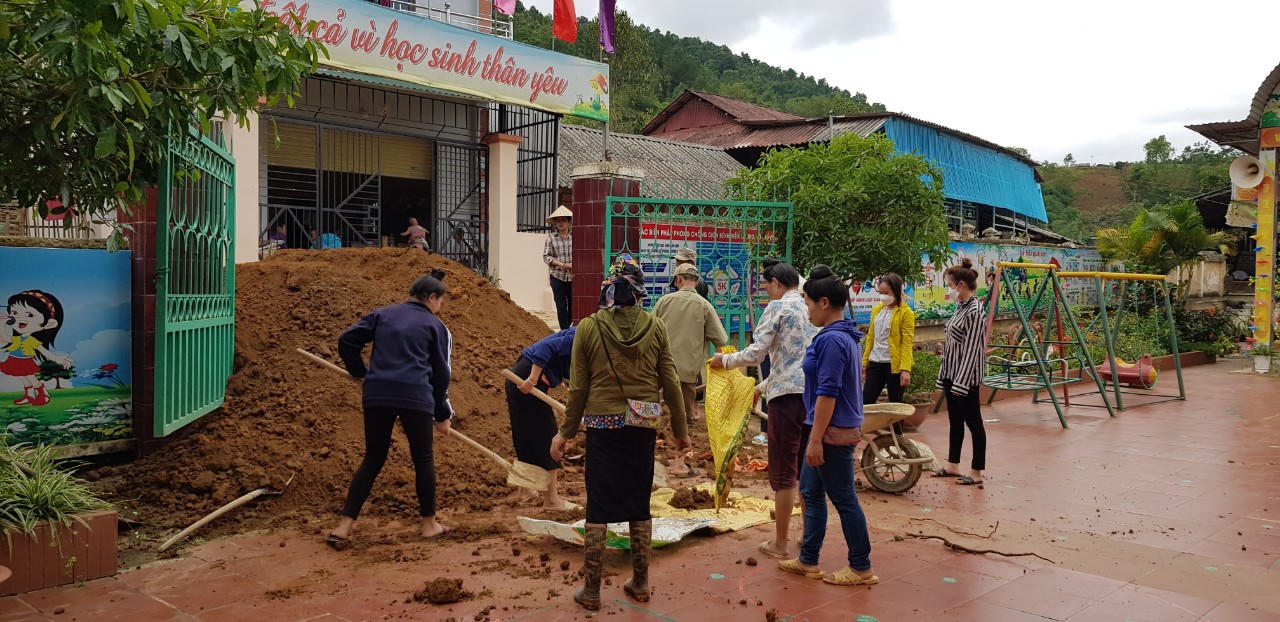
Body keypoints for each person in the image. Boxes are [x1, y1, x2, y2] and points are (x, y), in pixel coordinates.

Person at [550, 263, 690, 611]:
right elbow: (671, 382)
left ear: (608, 289)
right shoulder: (655, 326)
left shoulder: (588, 328)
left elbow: (579, 387)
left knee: (599, 501)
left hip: (601, 422)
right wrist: (680, 433)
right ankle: (641, 582)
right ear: (639, 291)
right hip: (643, 423)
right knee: (638, 498)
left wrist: (564, 433)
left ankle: (592, 590)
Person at [328, 269, 455, 549]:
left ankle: (343, 527)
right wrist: (442, 414)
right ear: (431, 297)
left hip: (378, 393)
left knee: (373, 459)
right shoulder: (436, 327)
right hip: (416, 396)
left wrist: (360, 372)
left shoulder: (383, 314)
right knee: (422, 459)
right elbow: (441, 374)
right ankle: (429, 525)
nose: (440, 307)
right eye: (440, 301)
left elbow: (347, 340)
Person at [778, 264, 878, 587]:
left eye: (808, 303)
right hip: (828, 429)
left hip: (831, 433)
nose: (806, 310)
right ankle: (809, 559)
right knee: (810, 490)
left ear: (823, 303)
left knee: (844, 498)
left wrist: (816, 439)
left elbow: (828, 393)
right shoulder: (842, 334)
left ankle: (861, 566)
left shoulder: (833, 341)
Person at [709, 260, 816, 560]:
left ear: (778, 284)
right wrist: (762, 387)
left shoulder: (778, 308)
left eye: (767, 285)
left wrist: (724, 360)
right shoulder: (812, 309)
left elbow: (757, 353)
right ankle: (808, 538)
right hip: (811, 396)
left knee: (783, 471)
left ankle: (780, 544)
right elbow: (795, 362)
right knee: (806, 469)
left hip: (786, 400)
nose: (766, 290)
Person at [653, 263, 728, 477]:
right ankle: (678, 463)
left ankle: (650, 459)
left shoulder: (663, 302)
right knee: (683, 418)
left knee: (649, 413)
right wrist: (718, 365)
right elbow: (721, 341)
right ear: (696, 282)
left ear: (677, 280)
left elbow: (650, 331)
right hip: (686, 373)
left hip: (658, 369)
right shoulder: (704, 306)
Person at [505, 327, 577, 510]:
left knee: (527, 434)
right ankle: (551, 500)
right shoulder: (583, 336)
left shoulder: (586, 333)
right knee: (547, 434)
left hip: (521, 375)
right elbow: (545, 347)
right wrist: (532, 379)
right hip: (526, 380)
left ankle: (526, 490)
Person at [933, 258, 987, 486]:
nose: (949, 289)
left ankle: (976, 471)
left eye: (950, 284)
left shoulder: (975, 311)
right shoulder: (961, 307)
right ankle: (952, 463)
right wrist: (945, 377)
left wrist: (960, 384)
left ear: (962, 285)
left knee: (973, 422)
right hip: (952, 374)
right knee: (955, 421)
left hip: (965, 379)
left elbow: (974, 349)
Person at [861, 274, 916, 427]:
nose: (883, 296)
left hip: (895, 366)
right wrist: (864, 362)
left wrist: (905, 369)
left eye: (886, 293)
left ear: (896, 292)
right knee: (866, 401)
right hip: (876, 362)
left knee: (896, 406)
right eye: (881, 293)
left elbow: (907, 342)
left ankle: (898, 441)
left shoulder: (906, 313)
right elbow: (870, 337)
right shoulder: (877, 310)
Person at [543, 206, 574, 330]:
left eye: (563, 220)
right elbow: (546, 256)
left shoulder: (575, 237)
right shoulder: (551, 238)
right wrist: (561, 264)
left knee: (572, 306)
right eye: (558, 221)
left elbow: (581, 254)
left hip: (573, 277)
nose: (561, 223)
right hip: (557, 276)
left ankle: (568, 328)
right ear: (555, 223)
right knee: (561, 306)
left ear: (568, 222)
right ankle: (564, 331)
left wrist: (574, 265)